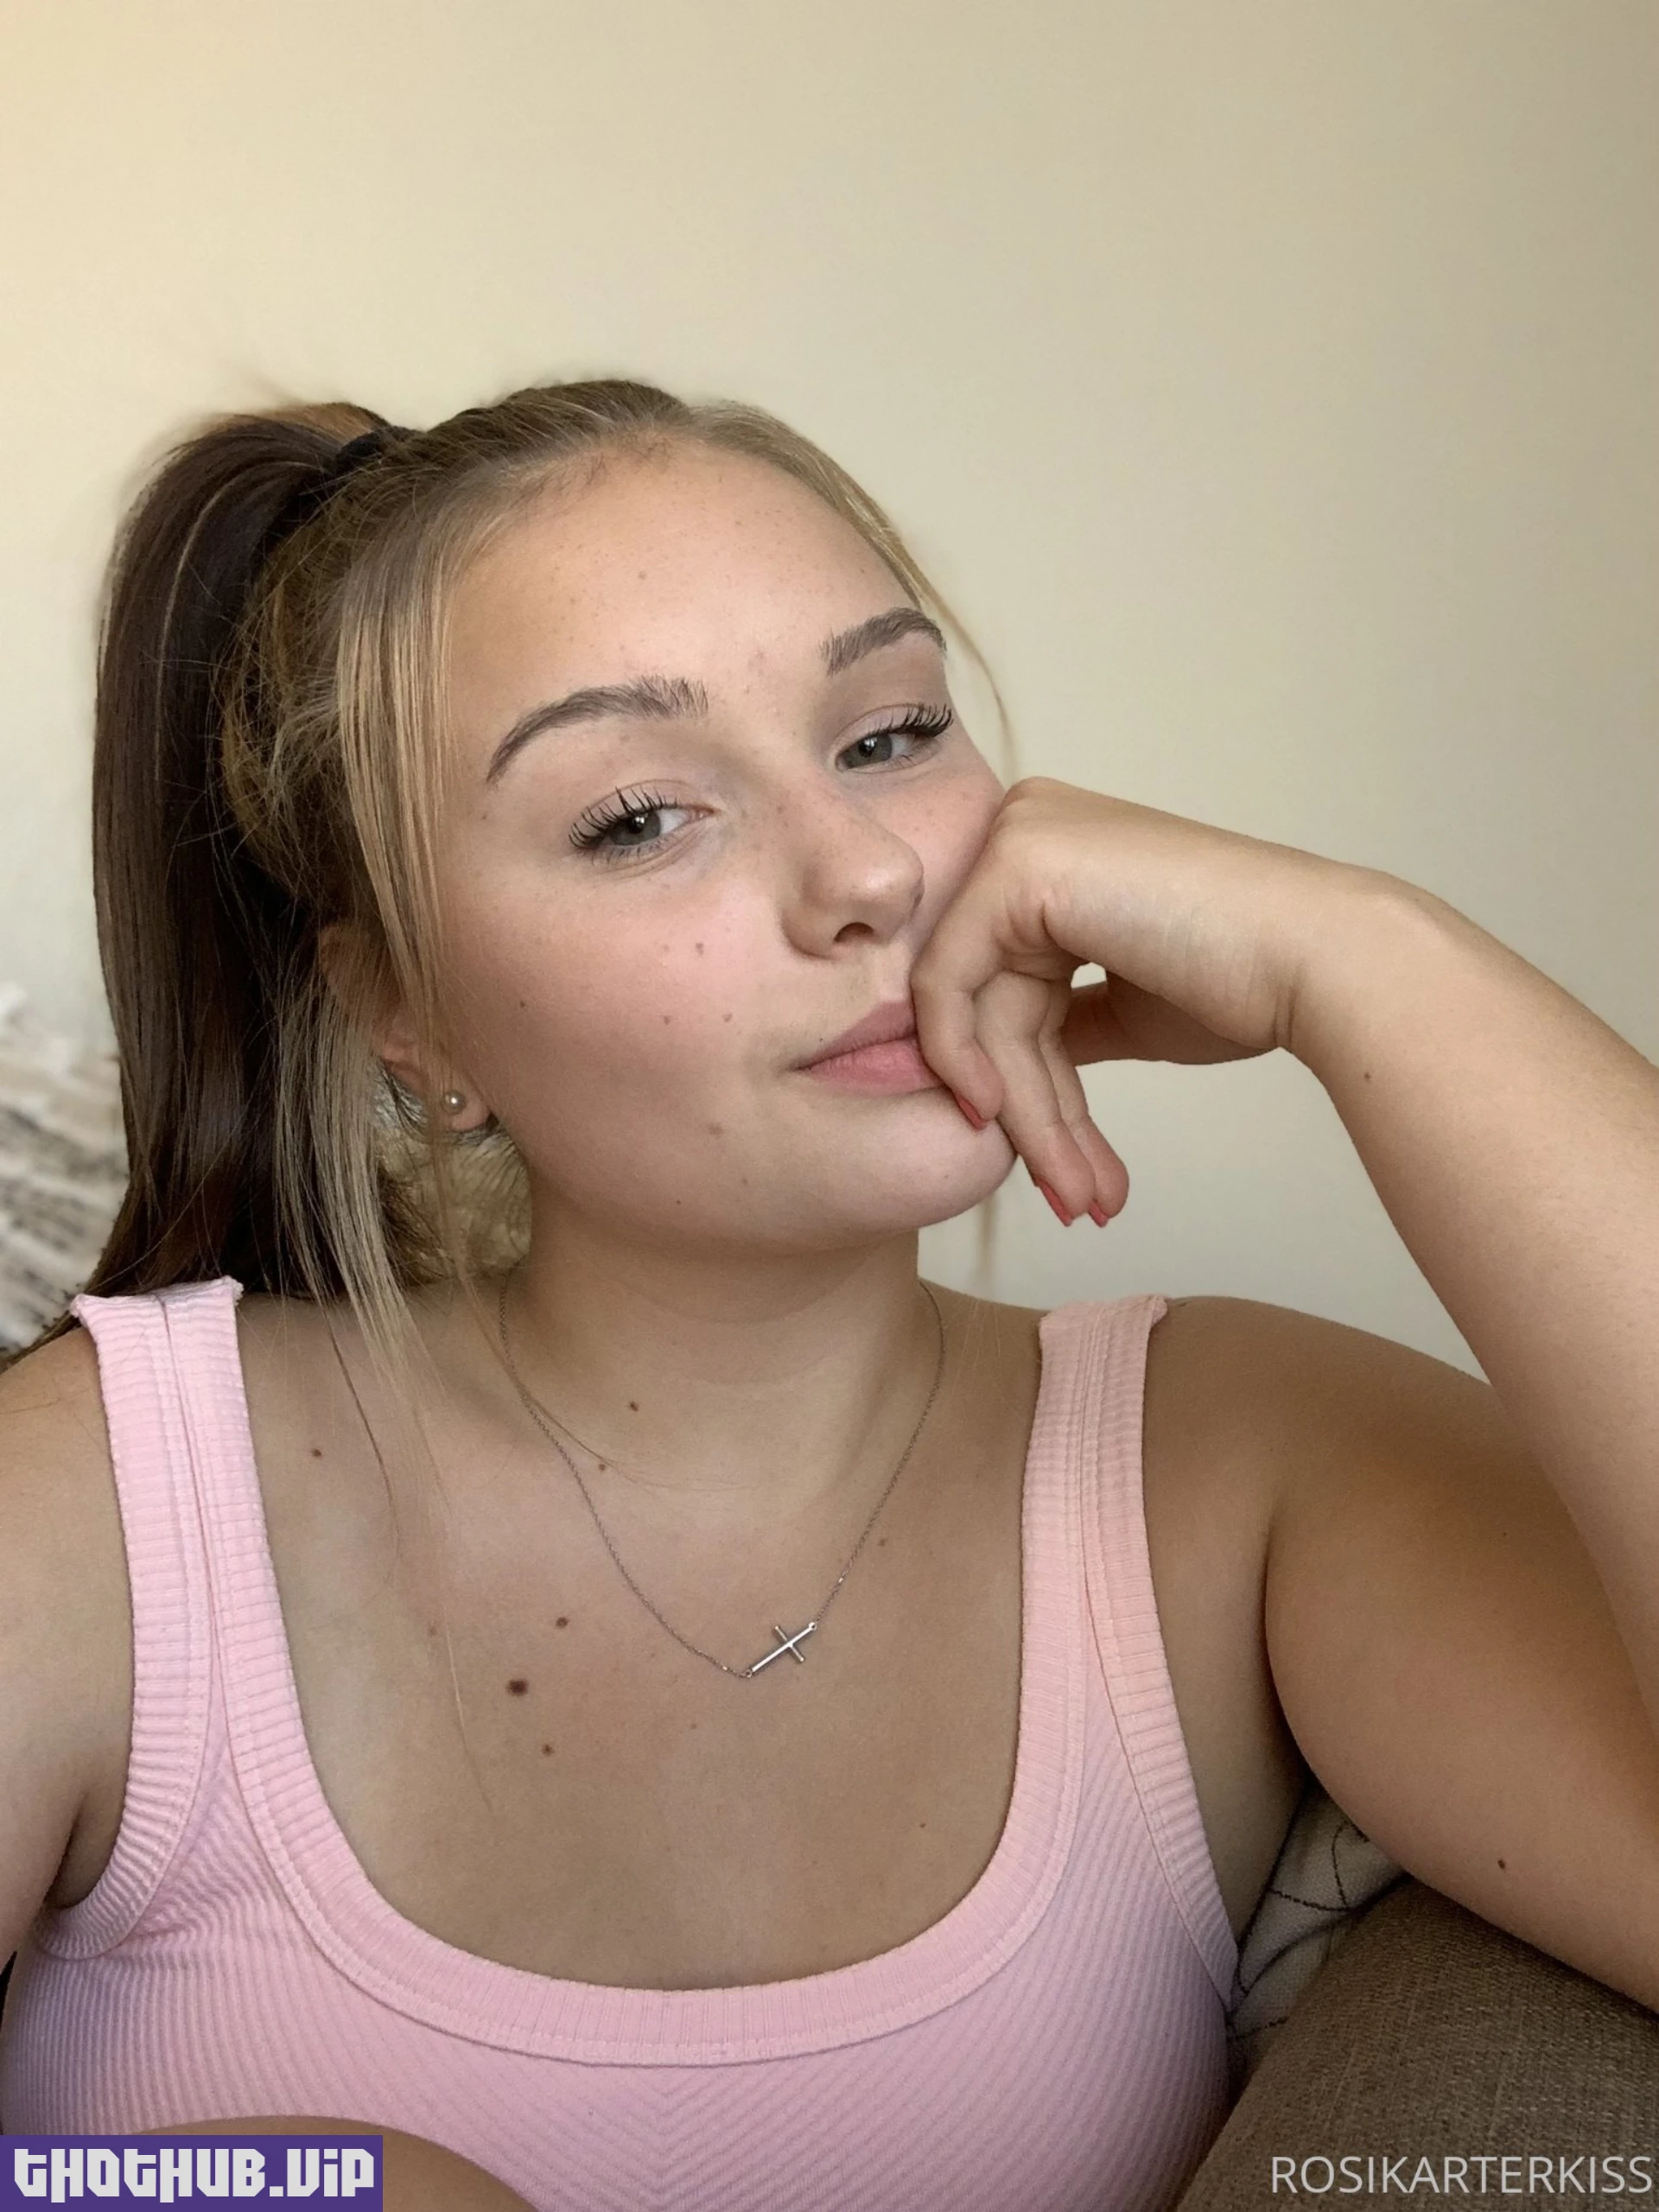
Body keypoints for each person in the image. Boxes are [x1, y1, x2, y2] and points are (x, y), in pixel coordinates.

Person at [0, 378, 1655, 2212]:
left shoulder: (1232, 1471)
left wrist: (1365, 959)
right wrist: (310, 2190)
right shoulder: (101, 1503)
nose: (871, 871)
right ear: (406, 1013)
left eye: (890, 733)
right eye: (639, 815)